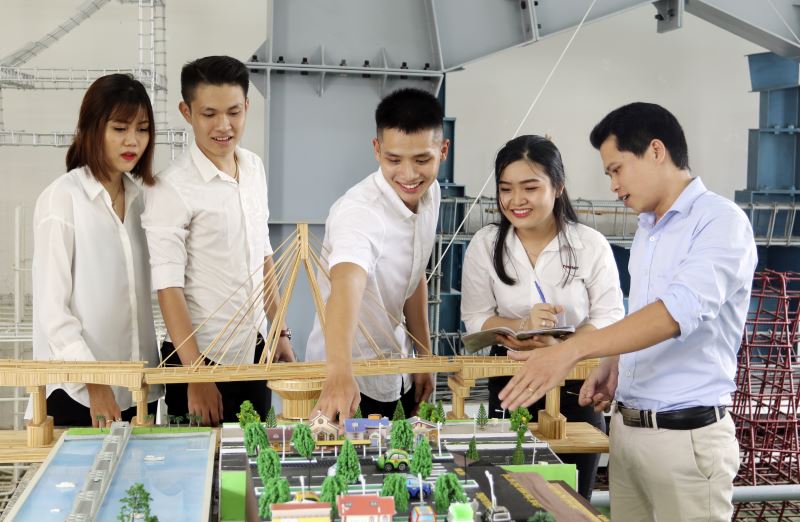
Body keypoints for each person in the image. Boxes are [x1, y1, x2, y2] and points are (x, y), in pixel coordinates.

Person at [500, 103, 757, 521]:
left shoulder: (719, 222)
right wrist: (614, 361)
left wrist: (571, 350)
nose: (614, 186)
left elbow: (674, 314)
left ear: (656, 151)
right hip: (628, 430)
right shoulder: (648, 230)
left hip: (685, 439)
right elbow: (640, 313)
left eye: (616, 170)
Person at [460, 134, 624, 499]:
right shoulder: (485, 244)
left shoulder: (590, 244)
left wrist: (565, 345)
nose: (516, 200)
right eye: (506, 189)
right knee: (510, 496)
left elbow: (610, 315)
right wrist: (522, 326)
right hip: (511, 379)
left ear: (559, 186)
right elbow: (475, 318)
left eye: (530, 188)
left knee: (571, 499)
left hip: (577, 382)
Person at [142, 56, 294, 426]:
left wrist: (279, 331)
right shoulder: (170, 187)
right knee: (197, 461)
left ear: (247, 107)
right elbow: (168, 288)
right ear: (187, 112)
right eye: (209, 114)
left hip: (255, 351)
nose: (223, 126)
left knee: (256, 457)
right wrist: (196, 374)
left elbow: (263, 255)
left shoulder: (254, 168)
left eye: (234, 112)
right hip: (198, 357)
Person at [306, 88, 449, 421]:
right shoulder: (360, 212)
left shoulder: (431, 194)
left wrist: (424, 359)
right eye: (394, 160)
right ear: (376, 149)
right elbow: (345, 286)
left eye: (422, 160)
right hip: (346, 378)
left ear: (443, 150)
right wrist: (339, 375)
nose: (409, 175)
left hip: (396, 368)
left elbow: (413, 275)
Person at [30, 74, 162, 427]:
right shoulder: (62, 199)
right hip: (78, 393)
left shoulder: (142, 202)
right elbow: (52, 310)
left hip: (134, 391)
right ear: (92, 129)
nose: (133, 140)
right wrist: (94, 380)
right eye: (119, 128)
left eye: (142, 129)